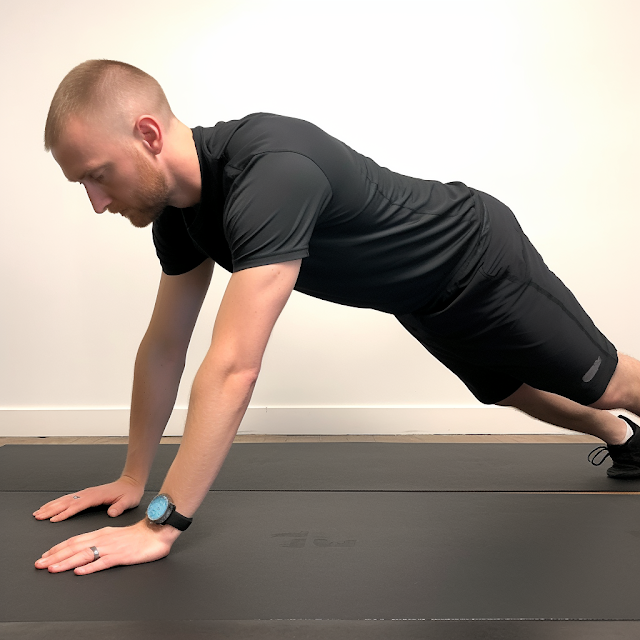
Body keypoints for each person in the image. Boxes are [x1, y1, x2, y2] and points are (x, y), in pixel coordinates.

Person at [34, 59, 640, 576]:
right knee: (507, 391)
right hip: (420, 295)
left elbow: (233, 368)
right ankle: (624, 439)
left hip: (477, 257)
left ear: (147, 134)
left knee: (609, 382)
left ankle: (622, 412)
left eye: (96, 174)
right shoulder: (178, 212)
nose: (96, 202)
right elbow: (166, 344)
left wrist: (162, 524)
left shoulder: (270, 171)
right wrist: (134, 475)